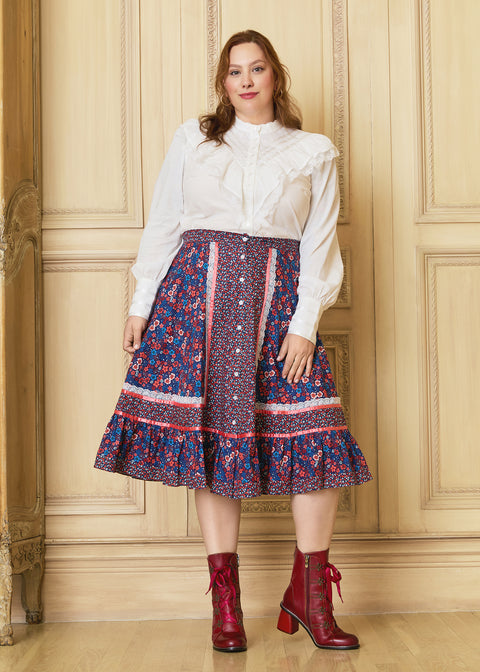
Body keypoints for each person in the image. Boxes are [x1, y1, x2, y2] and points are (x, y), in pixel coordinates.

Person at [94, 29, 372, 653]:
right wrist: (141, 303)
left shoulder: (313, 151)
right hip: (197, 300)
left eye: (258, 68)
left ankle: (310, 598)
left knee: (316, 439)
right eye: (235, 71)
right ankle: (227, 608)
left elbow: (320, 241)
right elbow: (166, 221)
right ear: (224, 83)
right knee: (214, 445)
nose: (246, 80)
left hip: (280, 304)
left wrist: (305, 323)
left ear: (276, 76)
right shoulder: (194, 140)